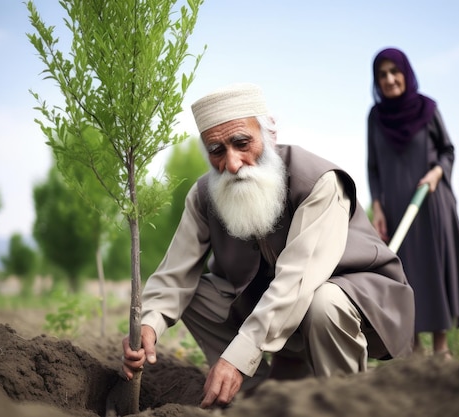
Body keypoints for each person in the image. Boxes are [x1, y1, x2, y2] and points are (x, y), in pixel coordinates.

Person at [122, 83, 415, 408]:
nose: (232, 164)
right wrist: (148, 324)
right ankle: (258, 401)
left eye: (242, 143)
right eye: (217, 151)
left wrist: (238, 356)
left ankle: (343, 402)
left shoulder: (319, 182)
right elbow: (174, 275)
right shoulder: (205, 194)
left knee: (324, 302)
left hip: (358, 309)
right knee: (192, 293)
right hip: (274, 313)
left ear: (269, 134)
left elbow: (297, 280)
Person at [366, 47, 459, 360]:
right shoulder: (376, 118)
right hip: (395, 209)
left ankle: (442, 348)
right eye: (383, 74)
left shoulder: (428, 109)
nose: (390, 79)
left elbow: (448, 150)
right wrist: (378, 208)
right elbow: (373, 167)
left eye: (395, 71)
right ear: (376, 81)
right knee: (406, 275)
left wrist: (436, 173)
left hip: (431, 203)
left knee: (433, 269)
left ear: (406, 73)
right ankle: (415, 349)